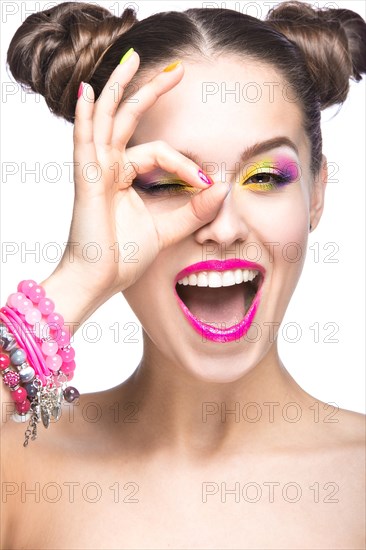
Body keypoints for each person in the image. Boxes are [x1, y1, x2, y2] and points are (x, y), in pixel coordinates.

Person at [1, 1, 365, 548]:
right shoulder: (19, 470)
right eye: (167, 181)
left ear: (318, 192)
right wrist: (78, 279)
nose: (221, 227)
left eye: (265, 176)